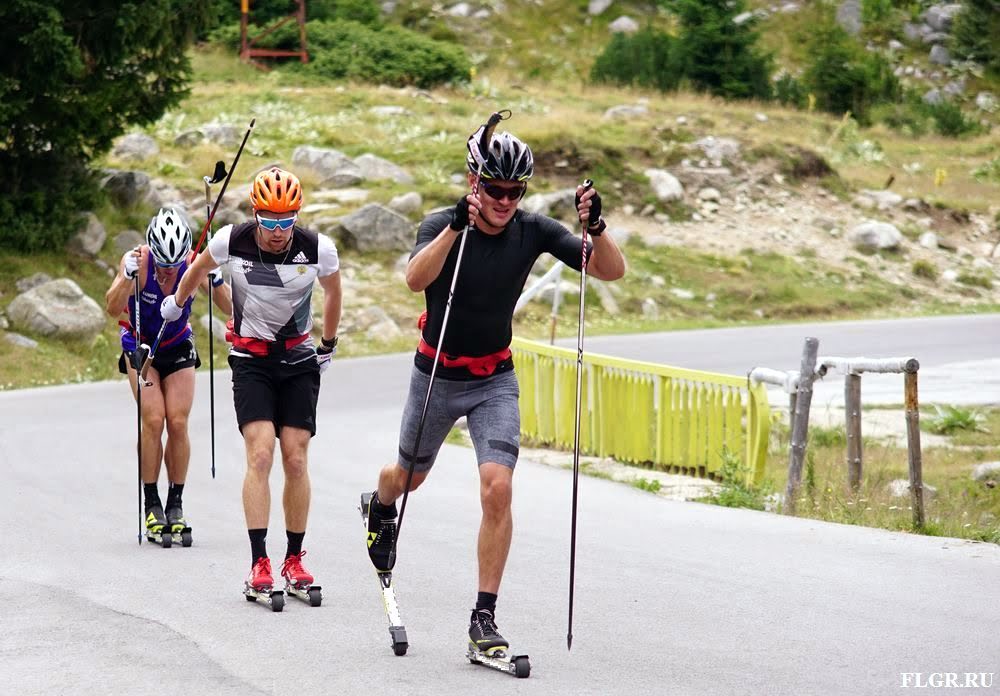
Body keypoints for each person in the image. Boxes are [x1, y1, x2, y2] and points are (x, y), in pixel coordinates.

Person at [363, 129, 626, 653]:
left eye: (516, 190)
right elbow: (415, 280)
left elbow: (610, 270)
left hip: (494, 381)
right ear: (473, 182)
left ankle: (483, 616)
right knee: (409, 476)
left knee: (498, 488)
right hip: (436, 374)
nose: (505, 200)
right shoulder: (442, 223)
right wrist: (455, 228)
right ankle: (380, 502)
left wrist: (596, 225)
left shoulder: (532, 230)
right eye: (495, 188)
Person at [159, 167, 342, 597]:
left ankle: (294, 559)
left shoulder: (318, 249)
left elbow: (334, 293)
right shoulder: (231, 240)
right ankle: (259, 561)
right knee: (261, 455)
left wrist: (328, 345)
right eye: (270, 220)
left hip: (298, 358)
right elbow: (197, 266)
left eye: (287, 220)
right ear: (255, 212)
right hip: (251, 360)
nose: (278, 231)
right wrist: (176, 302)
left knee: (295, 459)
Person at [105, 207, 233, 542]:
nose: (167, 271)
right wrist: (124, 279)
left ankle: (175, 503)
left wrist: (216, 279)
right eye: (162, 263)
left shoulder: (194, 262)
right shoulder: (137, 260)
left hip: (177, 344)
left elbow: (230, 308)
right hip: (141, 347)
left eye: (173, 265)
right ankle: (151, 503)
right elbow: (110, 308)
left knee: (177, 421)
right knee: (153, 419)